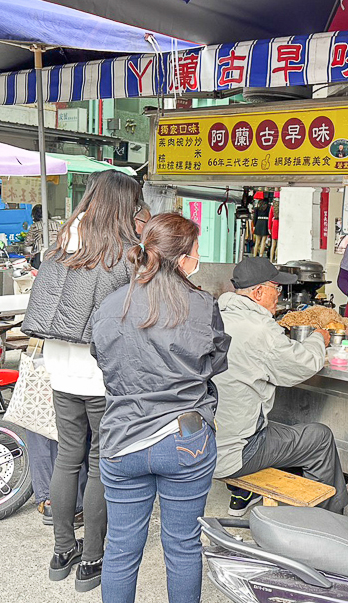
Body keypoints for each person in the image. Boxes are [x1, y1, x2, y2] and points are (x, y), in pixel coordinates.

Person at [91, 213, 230, 603]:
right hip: (184, 439)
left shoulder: (112, 303)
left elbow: (100, 357)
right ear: (182, 257)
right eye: (197, 250)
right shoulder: (201, 305)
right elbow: (215, 362)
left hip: (121, 439)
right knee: (183, 546)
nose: (198, 257)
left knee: (119, 549)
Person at [21, 169, 142, 592]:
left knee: (67, 457)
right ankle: (92, 559)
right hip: (103, 374)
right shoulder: (125, 252)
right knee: (97, 463)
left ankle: (61, 551)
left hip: (61, 370)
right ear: (124, 205)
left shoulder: (61, 244)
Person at [213, 256, 348, 516]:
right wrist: (319, 339)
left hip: (206, 442)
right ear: (259, 292)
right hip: (236, 452)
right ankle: (330, 521)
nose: (280, 294)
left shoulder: (217, 317)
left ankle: (244, 496)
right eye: (277, 288)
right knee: (318, 437)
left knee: (282, 428)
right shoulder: (260, 329)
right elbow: (303, 364)